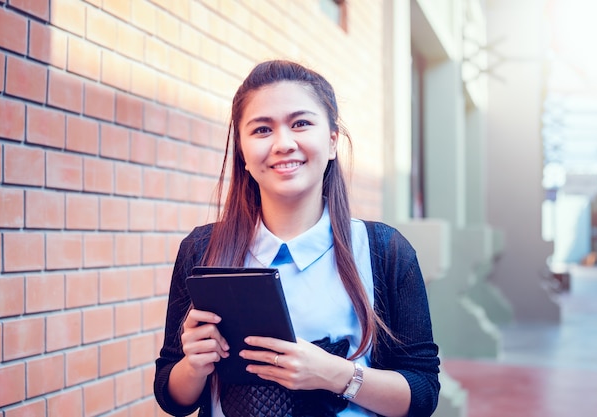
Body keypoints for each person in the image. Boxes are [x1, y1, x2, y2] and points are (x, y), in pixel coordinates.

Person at [154, 60, 440, 417]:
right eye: (262, 130)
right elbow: (171, 396)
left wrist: (336, 375)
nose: (283, 143)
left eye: (301, 123)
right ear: (241, 150)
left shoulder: (385, 251)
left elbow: (423, 393)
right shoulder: (200, 250)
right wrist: (194, 366)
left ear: (332, 141)